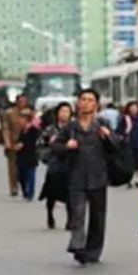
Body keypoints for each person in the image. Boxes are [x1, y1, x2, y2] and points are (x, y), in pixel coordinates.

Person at [52, 89, 118, 265]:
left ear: (96, 104)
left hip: (98, 176)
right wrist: (67, 145)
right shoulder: (71, 127)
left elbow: (117, 147)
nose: (86, 103)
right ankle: (78, 245)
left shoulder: (102, 124)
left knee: (98, 216)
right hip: (76, 176)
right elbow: (56, 147)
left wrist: (108, 137)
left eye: (90, 100)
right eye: (83, 99)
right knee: (77, 213)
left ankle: (93, 250)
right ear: (78, 103)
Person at [39, 102, 73, 230]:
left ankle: (70, 219)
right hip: (55, 164)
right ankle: (50, 214)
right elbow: (41, 145)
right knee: (51, 192)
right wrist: (47, 156)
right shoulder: (50, 130)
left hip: (70, 164)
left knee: (70, 193)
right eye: (62, 111)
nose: (64, 114)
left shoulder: (74, 128)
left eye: (67, 111)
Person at [3, 94, 29, 196]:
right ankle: (13, 187)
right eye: (20, 101)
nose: (22, 103)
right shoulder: (9, 113)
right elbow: (5, 128)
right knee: (13, 167)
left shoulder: (29, 113)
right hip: (13, 142)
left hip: (26, 143)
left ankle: (25, 184)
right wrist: (7, 142)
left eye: (24, 101)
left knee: (25, 166)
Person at [117, 101, 138, 188]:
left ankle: (137, 179)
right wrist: (122, 137)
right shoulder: (125, 119)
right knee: (129, 163)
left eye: (135, 108)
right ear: (128, 109)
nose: (134, 109)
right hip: (128, 144)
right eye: (132, 108)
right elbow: (118, 131)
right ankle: (130, 180)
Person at [16, 108, 41, 201]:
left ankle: (30, 193)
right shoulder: (22, 130)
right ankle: (24, 191)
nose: (19, 120)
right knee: (21, 176)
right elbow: (19, 140)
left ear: (27, 119)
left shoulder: (34, 130)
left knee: (30, 176)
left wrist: (23, 144)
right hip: (21, 156)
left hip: (31, 155)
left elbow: (36, 142)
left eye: (22, 118)